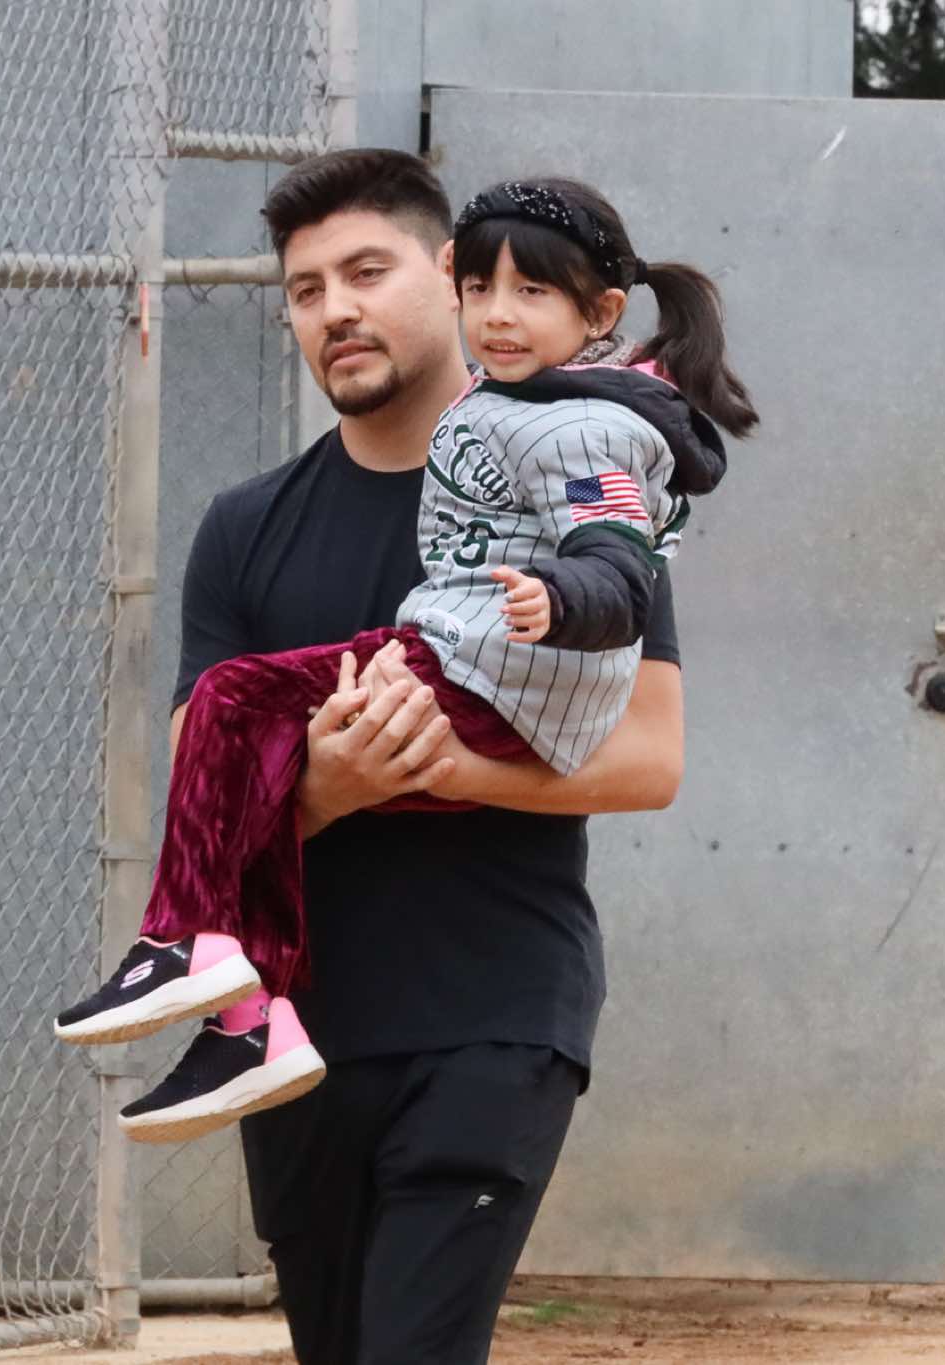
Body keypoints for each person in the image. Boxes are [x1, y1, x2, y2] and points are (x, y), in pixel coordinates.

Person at [119, 147, 725, 1360]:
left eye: (365, 272)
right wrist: (326, 784)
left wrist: (440, 768)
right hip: (295, 1037)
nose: (333, 310)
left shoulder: (572, 470)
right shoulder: (244, 527)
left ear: (447, 277)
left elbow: (648, 757)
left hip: (491, 1013)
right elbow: (198, 764)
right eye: (304, 290)